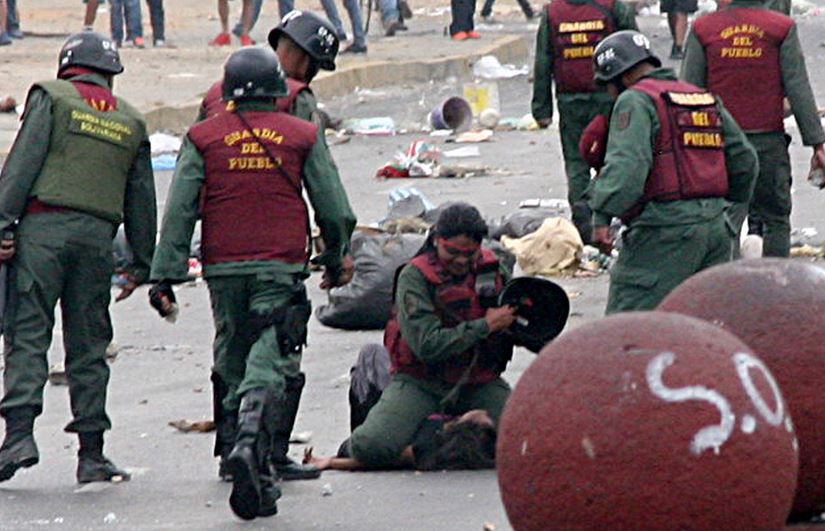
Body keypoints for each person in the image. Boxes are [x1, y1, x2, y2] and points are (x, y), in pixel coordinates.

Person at [149, 47, 356, 520]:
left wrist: (165, 273)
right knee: (271, 350)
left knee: (232, 349)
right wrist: (335, 251)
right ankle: (248, 442)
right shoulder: (302, 133)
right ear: (276, 90)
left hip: (223, 266)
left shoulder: (203, 136)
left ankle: (247, 463)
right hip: (279, 263)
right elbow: (335, 206)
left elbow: (181, 208)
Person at [0, 31, 157, 484]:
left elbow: (21, 165)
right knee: (89, 344)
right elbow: (141, 198)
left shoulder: (51, 97)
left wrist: (2, 223)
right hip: (97, 241)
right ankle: (92, 454)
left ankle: (19, 437)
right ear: (111, 74)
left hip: (42, 233)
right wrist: (139, 263)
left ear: (67, 68)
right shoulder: (131, 119)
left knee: (28, 331)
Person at [198, 11, 345, 484]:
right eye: (316, 63)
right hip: (277, 248)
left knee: (229, 345)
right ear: (301, 55)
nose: (312, 72)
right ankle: (269, 450)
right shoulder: (297, 103)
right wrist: (335, 251)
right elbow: (320, 182)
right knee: (282, 345)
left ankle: (229, 451)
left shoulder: (215, 98)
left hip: (221, 245)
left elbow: (197, 171)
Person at [588, 30, 758, 313]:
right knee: (705, 325)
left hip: (664, 232)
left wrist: (602, 216)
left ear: (619, 76)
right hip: (716, 230)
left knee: (630, 328)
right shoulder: (701, 97)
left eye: (607, 85)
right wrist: (724, 212)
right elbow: (745, 160)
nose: (609, 93)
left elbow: (627, 168)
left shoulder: (635, 100)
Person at [345, 203, 517, 469]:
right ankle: (426, 429)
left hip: (478, 381)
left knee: (528, 440)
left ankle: (442, 432)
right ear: (437, 240)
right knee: (370, 448)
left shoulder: (493, 273)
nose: (461, 260)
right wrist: (485, 326)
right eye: (452, 252)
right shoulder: (414, 277)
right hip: (421, 381)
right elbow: (427, 345)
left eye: (469, 253)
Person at [680, 0, 825, 258]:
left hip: (719, 144)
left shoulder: (704, 29)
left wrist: (686, 146)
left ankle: (728, 285)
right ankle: (774, 286)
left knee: (726, 219)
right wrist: (817, 143)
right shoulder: (780, 27)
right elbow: (798, 89)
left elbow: (689, 92)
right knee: (775, 219)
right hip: (768, 141)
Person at [531, 0, 637, 243]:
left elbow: (544, 60)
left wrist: (541, 108)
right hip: (611, 96)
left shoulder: (553, 12)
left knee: (576, 162)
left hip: (571, 99)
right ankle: (605, 214)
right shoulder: (613, 6)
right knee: (613, 158)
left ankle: (582, 213)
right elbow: (635, 50)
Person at [305, 409, 497, 471]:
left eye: (485, 418)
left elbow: (377, 459)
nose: (485, 412)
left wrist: (330, 462)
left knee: (371, 356)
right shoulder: (450, 428)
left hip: (360, 444)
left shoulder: (429, 445)